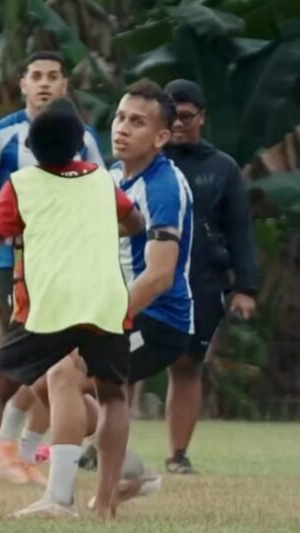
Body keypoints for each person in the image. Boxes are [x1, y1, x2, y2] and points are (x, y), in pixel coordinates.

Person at [0, 99, 145, 520]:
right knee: (113, 396)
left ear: (30, 147)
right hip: (105, 303)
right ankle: (106, 502)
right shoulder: (101, 180)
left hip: (49, 305)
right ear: (80, 145)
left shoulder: (20, 185)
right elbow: (136, 224)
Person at [31, 79, 195, 512]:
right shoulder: (111, 177)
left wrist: (104, 318)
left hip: (160, 320)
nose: (122, 128)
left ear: (161, 137)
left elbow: (159, 276)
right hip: (119, 310)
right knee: (47, 384)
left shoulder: (163, 187)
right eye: (120, 117)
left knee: (66, 374)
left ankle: (60, 498)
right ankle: (131, 474)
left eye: (137, 122)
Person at [0, 50, 106, 484]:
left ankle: (19, 446)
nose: (43, 83)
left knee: (60, 358)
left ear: (64, 85)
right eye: (36, 76)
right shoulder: (0, 135)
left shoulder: (86, 139)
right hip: (16, 261)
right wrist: (0, 225)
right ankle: (6, 443)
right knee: (39, 351)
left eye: (52, 76)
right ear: (22, 84)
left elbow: (103, 193)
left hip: (73, 263)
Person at [161, 79, 258, 474]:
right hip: (143, 277)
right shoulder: (145, 160)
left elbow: (240, 231)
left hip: (202, 280)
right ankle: (100, 446)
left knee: (187, 364)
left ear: (202, 117)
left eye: (186, 117)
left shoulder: (222, 168)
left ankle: (178, 454)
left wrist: (245, 288)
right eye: (171, 117)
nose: (178, 124)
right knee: (120, 364)